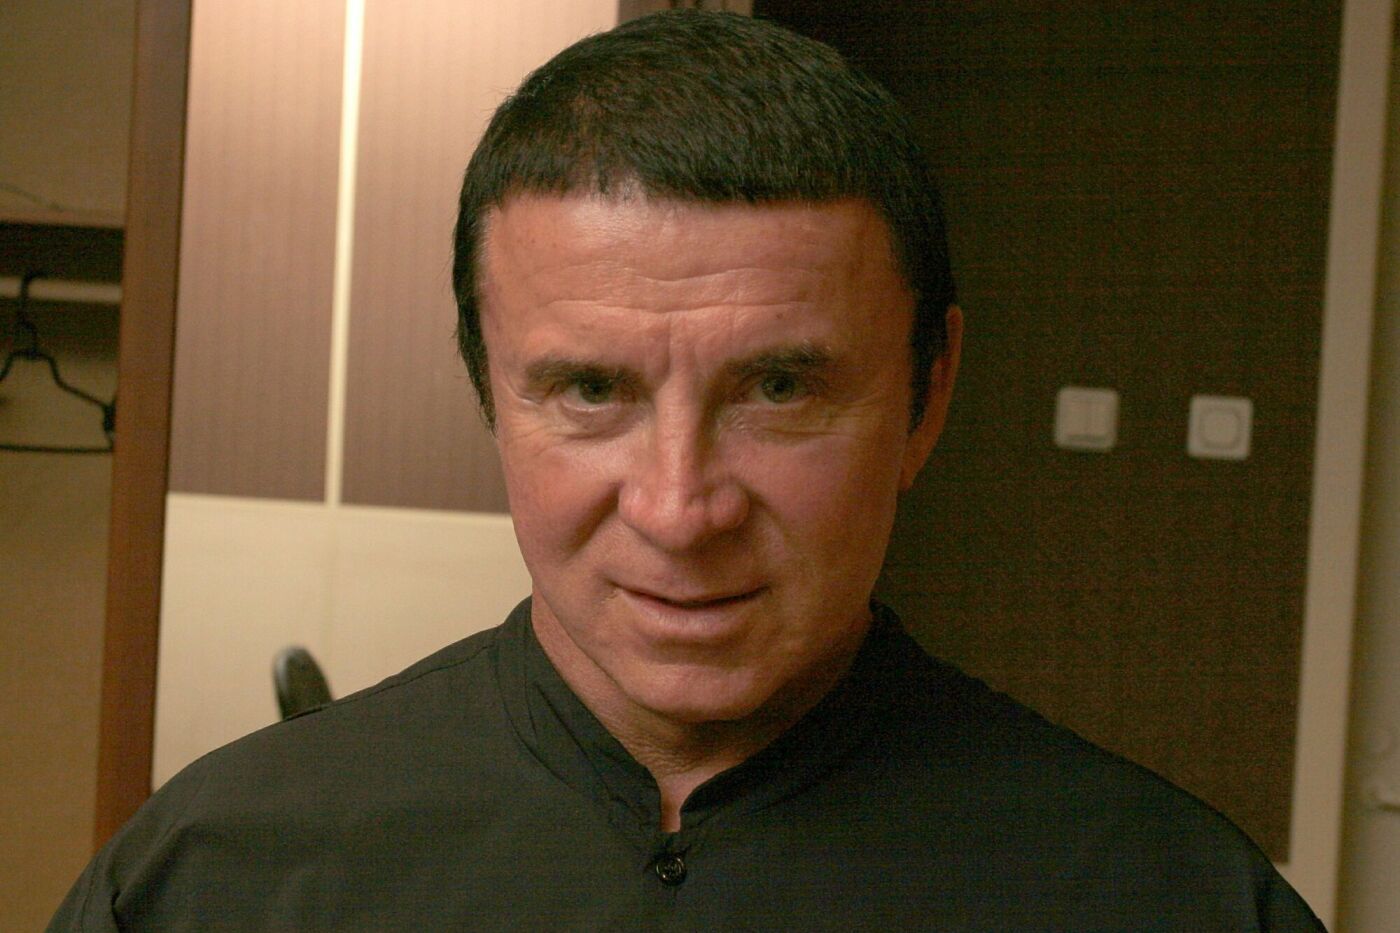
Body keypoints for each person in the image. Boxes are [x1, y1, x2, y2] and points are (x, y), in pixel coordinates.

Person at [51, 11, 1322, 930]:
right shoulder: (211, 876)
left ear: (926, 396)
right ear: (488, 391)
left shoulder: (1163, 895)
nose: (678, 509)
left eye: (778, 390)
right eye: (590, 391)